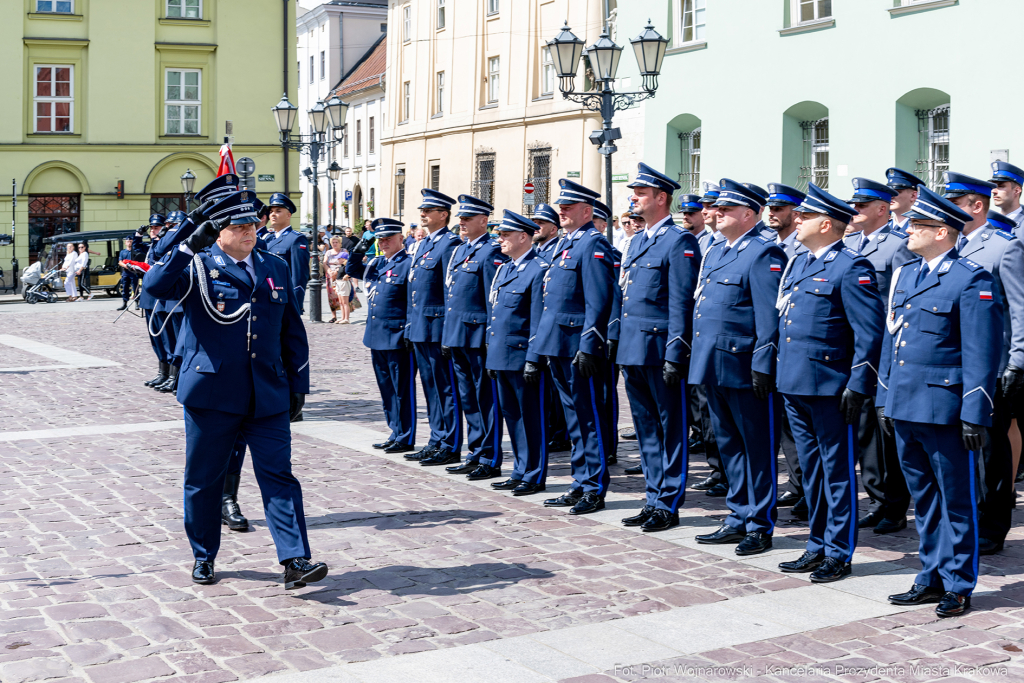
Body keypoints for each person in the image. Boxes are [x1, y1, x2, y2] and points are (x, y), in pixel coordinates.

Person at [143, 190, 326, 589]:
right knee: (204, 479)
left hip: (267, 393)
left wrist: (298, 386)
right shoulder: (197, 266)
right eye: (239, 226)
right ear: (218, 233)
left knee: (279, 475)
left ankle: (295, 558)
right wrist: (186, 245)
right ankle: (204, 554)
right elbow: (153, 289)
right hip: (211, 393)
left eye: (253, 225)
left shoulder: (274, 266)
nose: (250, 231)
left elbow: (292, 330)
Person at [880, 185, 1002, 618]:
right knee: (924, 499)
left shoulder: (970, 278)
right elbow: (891, 340)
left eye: (919, 225)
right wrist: (884, 396)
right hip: (906, 402)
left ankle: (958, 583)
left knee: (956, 499)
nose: (910, 231)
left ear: (943, 232)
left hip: (945, 407)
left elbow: (981, 352)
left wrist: (975, 413)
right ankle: (929, 575)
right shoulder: (908, 273)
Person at [774, 184, 885, 583]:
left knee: (836, 472)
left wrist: (859, 384)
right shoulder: (800, 264)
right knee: (813, 471)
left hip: (830, 387)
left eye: (804, 216)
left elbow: (869, 334)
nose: (796, 221)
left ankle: (839, 551)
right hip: (795, 382)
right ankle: (817, 544)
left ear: (826, 223)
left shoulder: (850, 267)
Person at [690, 179, 786, 556]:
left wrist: (764, 363)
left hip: (744, 366)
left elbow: (769, 318)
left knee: (756, 448)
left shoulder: (763, 253)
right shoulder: (716, 252)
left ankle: (759, 523)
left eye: (727, 209)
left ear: (748, 214)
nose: (717, 213)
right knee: (728, 444)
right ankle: (737, 514)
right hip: (713, 363)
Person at [944, 171, 1024, 556]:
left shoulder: (1003, 247)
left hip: (993, 363)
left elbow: (1020, 308)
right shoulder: (950, 246)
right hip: (956, 364)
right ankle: (967, 516)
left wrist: (1018, 360)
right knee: (962, 445)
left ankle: (993, 524)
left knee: (991, 450)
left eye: (956, 203)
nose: (947, 211)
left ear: (977, 206)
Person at [617, 164, 700, 532]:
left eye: (640, 193)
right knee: (646, 428)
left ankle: (669, 502)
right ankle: (652, 496)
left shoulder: (679, 241)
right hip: (633, 347)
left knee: (671, 428)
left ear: (661, 198)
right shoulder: (637, 241)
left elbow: (682, 303)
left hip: (660, 347)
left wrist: (676, 351)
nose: (633, 197)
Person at [535, 179, 617, 516]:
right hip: (557, 342)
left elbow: (599, 302)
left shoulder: (594, 245)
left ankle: (594, 487)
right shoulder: (564, 244)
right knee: (573, 419)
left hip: (578, 346)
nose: (562, 212)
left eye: (568, 208)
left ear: (587, 211)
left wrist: (590, 344)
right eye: (561, 208)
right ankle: (579, 481)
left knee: (589, 418)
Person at [844, 177, 915, 535]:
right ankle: (876, 498)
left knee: (885, 433)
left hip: (884, 348)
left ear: (882, 209)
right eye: (853, 205)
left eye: (861, 205)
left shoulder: (897, 246)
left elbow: (899, 301)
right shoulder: (850, 243)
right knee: (864, 431)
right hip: (856, 347)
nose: (854, 211)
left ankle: (895, 506)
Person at [437, 195, 508, 477]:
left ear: (484, 221)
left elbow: (494, 299)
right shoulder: (459, 251)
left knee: (485, 399)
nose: (462, 223)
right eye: (461, 219)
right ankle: (476, 451)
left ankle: (490, 457)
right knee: (468, 398)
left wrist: (491, 337)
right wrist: (447, 334)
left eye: (468, 219)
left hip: (478, 336)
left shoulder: (491, 252)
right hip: (457, 335)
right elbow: (450, 295)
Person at [487, 211, 550, 496]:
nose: (500, 240)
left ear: (523, 237)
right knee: (511, 415)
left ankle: (534, 473)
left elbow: (537, 319)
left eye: (505, 235)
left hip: (523, 356)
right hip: (502, 355)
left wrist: (534, 359)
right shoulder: (506, 268)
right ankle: (520, 469)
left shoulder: (538, 269)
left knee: (530, 418)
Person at [347, 218, 417, 453]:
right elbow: (352, 270)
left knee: (401, 389)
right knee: (386, 388)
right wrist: (359, 247)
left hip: (398, 337)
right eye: (380, 239)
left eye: (388, 238)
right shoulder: (377, 263)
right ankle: (394, 430)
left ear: (400, 238)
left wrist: (409, 331)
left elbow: (412, 303)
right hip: (376, 336)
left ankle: (405, 435)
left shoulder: (408, 264)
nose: (384, 242)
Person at [405, 189, 463, 464]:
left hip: (437, 326)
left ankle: (449, 444)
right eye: (422, 211)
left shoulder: (449, 244)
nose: (423, 215)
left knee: (445, 387)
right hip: (420, 326)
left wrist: (447, 332)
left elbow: (449, 291)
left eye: (428, 211)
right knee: (430, 387)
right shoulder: (425, 243)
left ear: (444, 214)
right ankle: (436, 438)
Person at [765, 183, 810, 520]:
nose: (772, 214)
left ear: (795, 214)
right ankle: (798, 485)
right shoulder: (771, 246)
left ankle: (809, 490)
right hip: (780, 348)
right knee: (785, 427)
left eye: (779, 209)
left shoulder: (802, 247)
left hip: (801, 350)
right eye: (771, 208)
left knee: (801, 430)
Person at [530, 203, 571, 453]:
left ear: (553, 228)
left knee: (558, 391)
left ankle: (561, 432)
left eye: (540, 223)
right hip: (541, 328)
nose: (535, 227)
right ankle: (552, 429)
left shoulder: (556, 251)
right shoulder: (536, 252)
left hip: (557, 329)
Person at [263, 193, 310, 314]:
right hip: (267, 300)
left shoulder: (296, 239)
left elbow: (299, 277)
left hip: (284, 302)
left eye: (278, 211)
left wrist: (295, 306)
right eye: (271, 211)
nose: (273, 214)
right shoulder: (268, 239)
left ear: (289, 215)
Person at [886, 168, 923, 233]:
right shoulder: (884, 229)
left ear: (913, 196)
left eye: (896, 192)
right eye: (889, 192)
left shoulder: (920, 230)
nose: (891, 196)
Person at [990, 161, 1024, 230]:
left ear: (1016, 191)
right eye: (994, 187)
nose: (993, 191)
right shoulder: (989, 222)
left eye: (1001, 186)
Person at [323, 236, 349, 323]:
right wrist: (329, 271)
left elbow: (347, 263)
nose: (334, 244)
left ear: (340, 243)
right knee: (332, 296)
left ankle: (345, 317)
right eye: (333, 242)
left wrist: (337, 271)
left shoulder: (344, 251)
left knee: (343, 297)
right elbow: (324, 263)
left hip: (341, 276)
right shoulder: (328, 252)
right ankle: (334, 316)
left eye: (336, 242)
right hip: (330, 276)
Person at [117, 237, 135, 310]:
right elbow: (120, 262)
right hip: (126, 272)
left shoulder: (135, 251)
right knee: (125, 288)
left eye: (130, 241)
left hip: (134, 272)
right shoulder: (123, 252)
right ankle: (125, 304)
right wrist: (125, 266)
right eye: (128, 241)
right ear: (125, 243)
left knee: (135, 287)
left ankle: (137, 303)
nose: (129, 243)